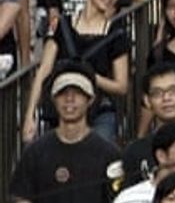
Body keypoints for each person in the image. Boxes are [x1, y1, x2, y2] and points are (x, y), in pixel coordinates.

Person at [10, 63, 124, 203]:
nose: (69, 99)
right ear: (53, 99)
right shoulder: (35, 153)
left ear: (91, 99)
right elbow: (22, 198)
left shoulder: (109, 154)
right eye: (62, 93)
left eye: (78, 93)